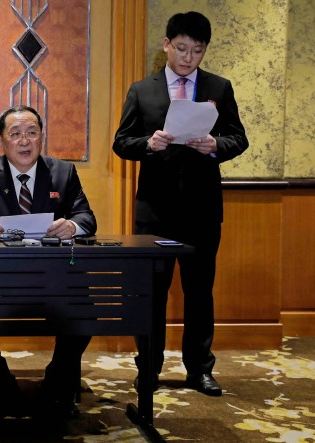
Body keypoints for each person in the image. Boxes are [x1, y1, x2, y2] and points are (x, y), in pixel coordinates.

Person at [112, 11, 249, 397]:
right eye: (183, 48)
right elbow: (121, 143)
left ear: (205, 50)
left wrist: (214, 146)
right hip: (155, 211)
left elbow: (239, 138)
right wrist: (148, 144)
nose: (189, 58)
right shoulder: (143, 90)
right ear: (167, 44)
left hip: (203, 210)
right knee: (152, 294)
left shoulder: (219, 88)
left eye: (198, 51)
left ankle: (200, 370)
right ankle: (149, 368)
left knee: (200, 292)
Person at [0, 105, 97, 419]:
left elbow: (87, 217)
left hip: (53, 278)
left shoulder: (62, 172)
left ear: (41, 137)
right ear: (2, 141)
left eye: (32, 132)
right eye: (14, 134)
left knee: (86, 307)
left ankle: (58, 386)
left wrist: (72, 226)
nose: (24, 141)